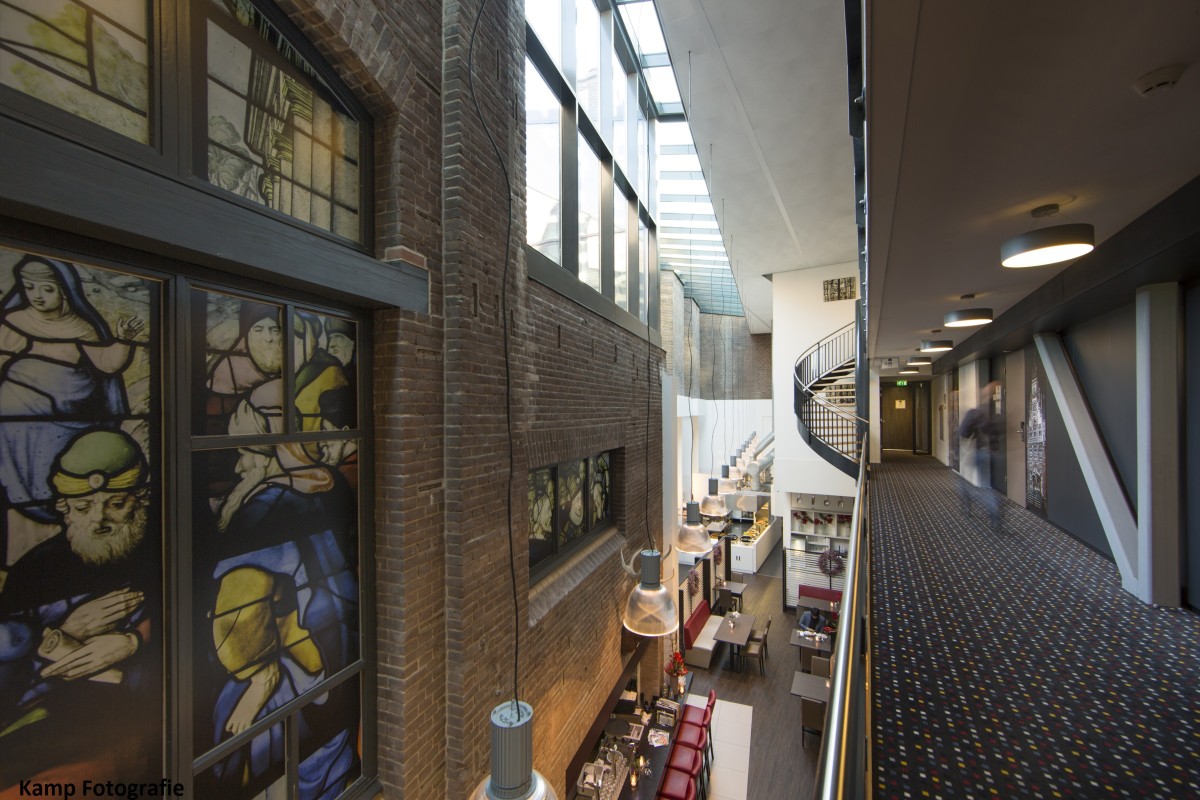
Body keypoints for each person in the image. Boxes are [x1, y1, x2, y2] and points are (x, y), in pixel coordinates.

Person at [0, 429, 159, 791]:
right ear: (64, 508)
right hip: (53, 742)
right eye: (84, 507)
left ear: (140, 500)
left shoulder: (163, 547)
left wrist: (133, 643)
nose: (99, 519)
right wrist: (64, 637)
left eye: (116, 503)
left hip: (154, 725)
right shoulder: (35, 570)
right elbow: (10, 688)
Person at [0, 256, 141, 523]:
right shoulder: (15, 321)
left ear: (64, 291)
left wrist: (123, 339)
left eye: (47, 289)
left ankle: (56, 512)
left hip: (67, 418)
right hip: (18, 413)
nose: (37, 296)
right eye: (29, 287)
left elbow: (107, 365)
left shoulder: (80, 327)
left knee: (59, 469)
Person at [958, 381, 1004, 529]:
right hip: (996, 453)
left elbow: (963, 432)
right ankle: (993, 505)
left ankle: (976, 501)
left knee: (968, 481)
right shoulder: (999, 411)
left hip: (981, 452)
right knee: (988, 483)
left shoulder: (975, 412)